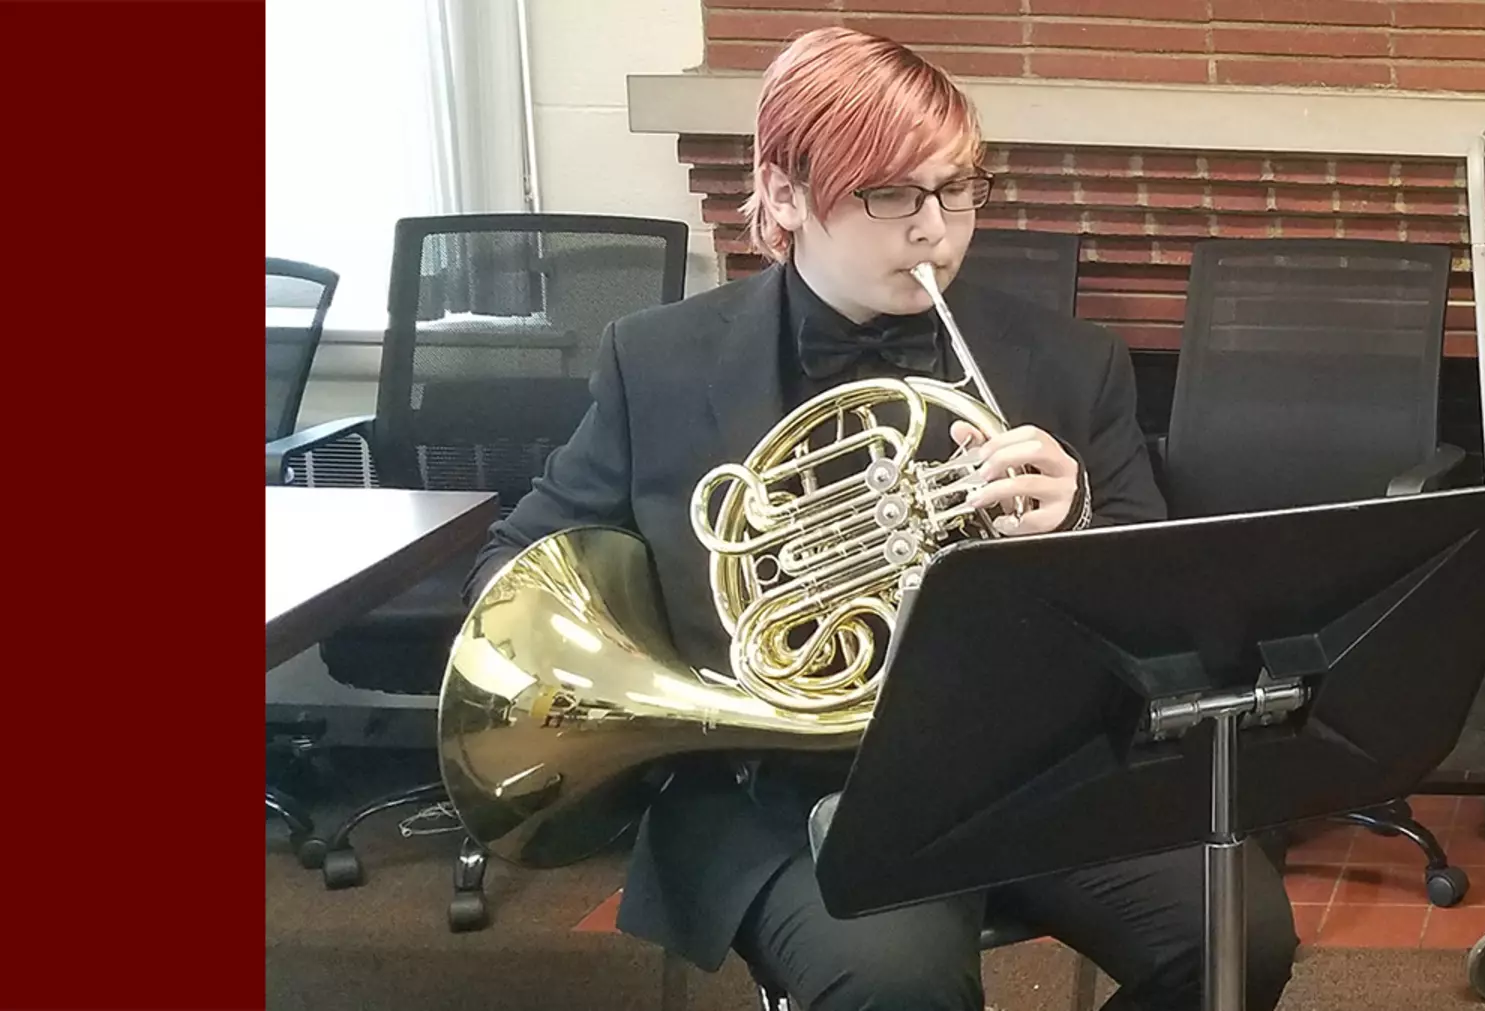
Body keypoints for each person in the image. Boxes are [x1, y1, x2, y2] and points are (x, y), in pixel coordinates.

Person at [464, 26, 1297, 1011]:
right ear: (782, 195)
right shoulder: (658, 364)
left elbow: (1163, 624)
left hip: (1028, 768)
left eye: (956, 189)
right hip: (781, 788)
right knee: (896, 989)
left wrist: (1075, 525)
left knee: (1238, 937)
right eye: (890, 194)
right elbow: (517, 563)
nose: (934, 229)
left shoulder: (1071, 366)